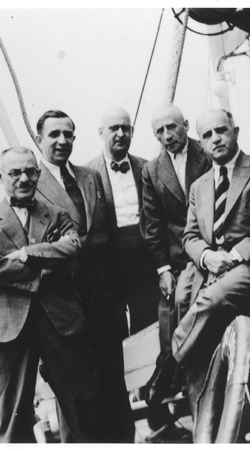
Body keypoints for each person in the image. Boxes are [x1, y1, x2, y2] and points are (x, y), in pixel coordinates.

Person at [145, 109, 250, 416]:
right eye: (207, 135)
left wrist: (237, 253)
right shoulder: (199, 186)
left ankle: (171, 361)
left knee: (211, 300)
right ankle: (204, 417)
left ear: (235, 132)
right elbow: (189, 236)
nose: (215, 139)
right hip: (215, 268)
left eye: (221, 131)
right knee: (185, 301)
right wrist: (206, 256)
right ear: (200, 143)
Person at [0, 146, 103, 443]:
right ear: (0, 177)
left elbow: (73, 249)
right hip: (8, 325)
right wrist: (43, 268)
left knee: (82, 408)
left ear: (39, 173)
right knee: (13, 416)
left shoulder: (57, 214)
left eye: (30, 171)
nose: (24, 178)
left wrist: (27, 254)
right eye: (15, 172)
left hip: (61, 321)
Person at [34, 110, 134, 442]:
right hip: (65, 303)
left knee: (113, 384)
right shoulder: (31, 183)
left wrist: (118, 296)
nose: (63, 141)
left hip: (104, 300)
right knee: (78, 395)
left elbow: (108, 234)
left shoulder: (91, 176)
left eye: (68, 134)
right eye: (54, 135)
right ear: (39, 140)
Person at [85, 106, 174, 434]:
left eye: (126, 127)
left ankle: (158, 414)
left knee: (152, 336)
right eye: (113, 128)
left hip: (144, 267)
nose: (120, 133)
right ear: (101, 133)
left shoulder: (147, 168)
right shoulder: (87, 174)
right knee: (113, 344)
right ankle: (121, 425)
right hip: (109, 270)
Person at [140, 104, 212, 397]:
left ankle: (180, 372)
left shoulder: (208, 152)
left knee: (191, 303)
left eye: (172, 126)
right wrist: (163, 269)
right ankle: (174, 375)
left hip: (212, 249)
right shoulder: (152, 170)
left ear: (186, 124)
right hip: (179, 258)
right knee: (169, 308)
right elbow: (152, 223)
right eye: (160, 131)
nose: (167, 135)